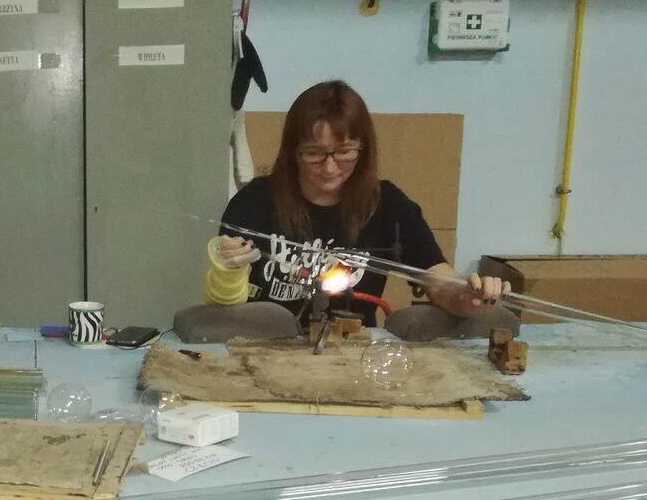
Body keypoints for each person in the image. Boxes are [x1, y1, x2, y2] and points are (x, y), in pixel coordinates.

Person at [201, 80, 517, 341]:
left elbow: (437, 278)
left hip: (352, 351)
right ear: (293, 151)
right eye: (314, 153)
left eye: (344, 152)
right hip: (264, 349)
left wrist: (466, 295)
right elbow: (225, 303)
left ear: (362, 149)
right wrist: (228, 267)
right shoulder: (254, 202)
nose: (329, 167)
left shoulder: (389, 205)